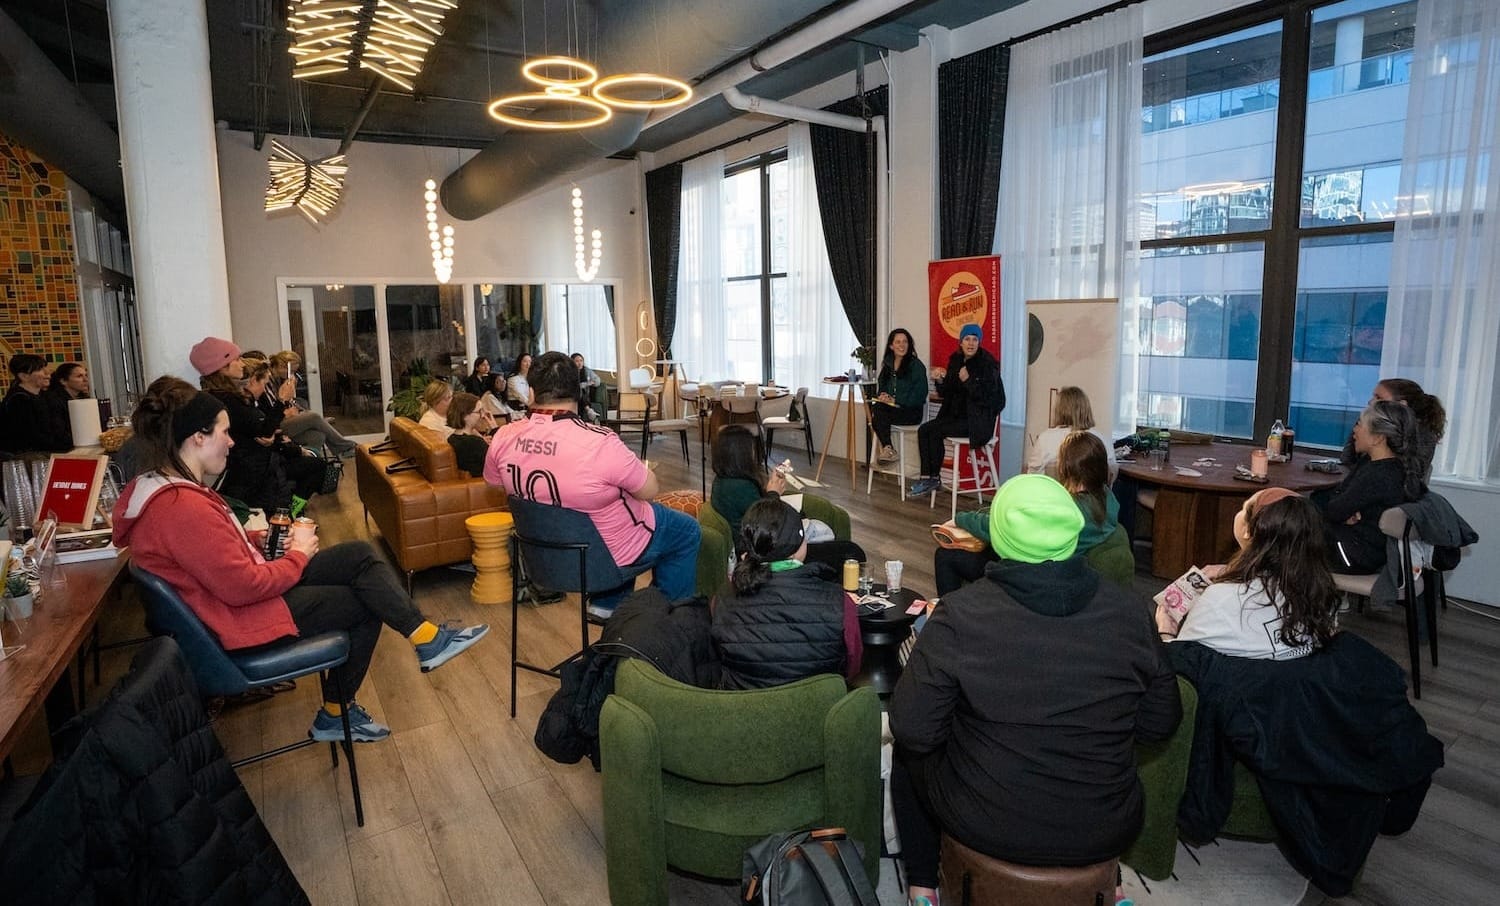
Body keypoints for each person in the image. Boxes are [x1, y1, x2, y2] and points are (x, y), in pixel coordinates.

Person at [112, 375, 488, 744]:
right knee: (364, 603)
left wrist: (263, 539)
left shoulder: (167, 491)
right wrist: (295, 555)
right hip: (238, 621)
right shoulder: (182, 508)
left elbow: (212, 555)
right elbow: (244, 586)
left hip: (230, 606)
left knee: (358, 555)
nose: (231, 442)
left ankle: (426, 638)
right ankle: (338, 713)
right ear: (198, 437)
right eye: (224, 433)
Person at [890, 475, 1180, 905]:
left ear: (1001, 535)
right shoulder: (1132, 611)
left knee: (908, 750)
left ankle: (922, 888)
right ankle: (1112, 886)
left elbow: (914, 729)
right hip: (1103, 824)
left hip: (987, 822)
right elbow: (1160, 722)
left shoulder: (960, 614)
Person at [484, 352, 701, 620]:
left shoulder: (504, 436)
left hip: (541, 562)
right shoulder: (599, 442)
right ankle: (665, 621)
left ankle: (610, 602)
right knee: (686, 530)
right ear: (577, 392)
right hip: (601, 561)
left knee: (611, 514)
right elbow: (649, 490)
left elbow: (494, 482)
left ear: (531, 393)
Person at [1157, 488, 1338, 660]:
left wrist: (1166, 633)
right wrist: (1234, 570)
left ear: (1248, 531)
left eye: (1243, 508)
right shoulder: (1321, 591)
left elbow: (1181, 669)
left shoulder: (1220, 599)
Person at [932, 431, 1120, 596]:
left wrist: (960, 519)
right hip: (1057, 569)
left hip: (1029, 572)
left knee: (945, 556)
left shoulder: (1068, 511)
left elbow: (1002, 527)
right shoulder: (1107, 500)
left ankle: (951, 618)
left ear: (1066, 468)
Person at [711, 498, 863, 690]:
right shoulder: (839, 602)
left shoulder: (723, 597)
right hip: (818, 710)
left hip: (742, 710)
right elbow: (852, 667)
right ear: (798, 546)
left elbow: (717, 657)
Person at [710, 424, 865, 570]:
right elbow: (767, 522)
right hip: (771, 553)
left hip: (764, 547)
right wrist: (773, 493)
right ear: (740, 455)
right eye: (750, 449)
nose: (754, 453)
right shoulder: (738, 487)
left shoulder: (724, 481)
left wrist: (771, 489)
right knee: (851, 552)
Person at [197, 344, 322, 515]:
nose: (241, 364)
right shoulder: (227, 399)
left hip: (262, 467)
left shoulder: (229, 396)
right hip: (253, 473)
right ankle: (293, 513)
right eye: (236, 359)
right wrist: (282, 401)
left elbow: (264, 431)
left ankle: (293, 512)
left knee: (315, 438)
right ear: (222, 367)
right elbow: (264, 431)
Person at [1316, 400, 1425, 574]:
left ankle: (1325, 598)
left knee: (1285, 535)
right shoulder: (1382, 464)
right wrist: (1343, 512)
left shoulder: (1379, 475)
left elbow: (1333, 510)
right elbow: (1338, 501)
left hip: (1356, 555)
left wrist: (1341, 513)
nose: (1355, 430)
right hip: (1364, 548)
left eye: (1359, 424)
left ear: (1378, 437)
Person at [910, 323, 1005, 497]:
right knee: (924, 430)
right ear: (961, 342)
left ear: (979, 342)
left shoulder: (987, 364)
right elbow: (947, 392)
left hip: (977, 422)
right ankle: (928, 478)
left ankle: (932, 479)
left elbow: (995, 401)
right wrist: (940, 380)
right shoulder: (956, 360)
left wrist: (969, 381)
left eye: (975, 339)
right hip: (955, 418)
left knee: (935, 431)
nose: (971, 343)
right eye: (967, 339)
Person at [1341, 378, 1446, 480]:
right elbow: (1347, 459)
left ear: (1401, 405)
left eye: (1378, 398)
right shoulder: (1366, 422)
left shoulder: (1423, 435)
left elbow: (1410, 476)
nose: (1370, 402)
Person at [262, 351, 356, 457]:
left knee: (318, 435)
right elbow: (274, 406)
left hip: (283, 419)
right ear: (282, 367)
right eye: (291, 371)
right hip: (275, 424)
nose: (292, 375)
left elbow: (286, 401)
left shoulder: (279, 379)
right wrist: (286, 410)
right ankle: (346, 447)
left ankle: (310, 462)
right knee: (314, 416)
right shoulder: (267, 381)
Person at [1026, 385, 1116, 478]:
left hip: (1054, 491)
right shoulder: (1104, 441)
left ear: (1059, 410)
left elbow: (1033, 477)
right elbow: (1111, 477)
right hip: (1093, 492)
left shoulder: (1045, 439)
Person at [871, 328, 928, 463]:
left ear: (909, 345)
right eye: (898, 342)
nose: (902, 345)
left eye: (905, 342)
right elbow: (882, 386)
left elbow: (921, 395)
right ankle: (888, 449)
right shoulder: (888, 365)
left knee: (877, 416)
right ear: (891, 346)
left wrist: (897, 400)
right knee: (877, 408)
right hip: (892, 409)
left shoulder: (916, 365)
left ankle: (888, 449)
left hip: (911, 412)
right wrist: (883, 396)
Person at [1, 354, 71, 454]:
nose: (48, 373)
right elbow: (31, 437)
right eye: (40, 369)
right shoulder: (18, 400)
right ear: (24, 376)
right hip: (29, 456)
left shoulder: (47, 397)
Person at [445, 391, 498, 479]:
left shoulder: (452, 438)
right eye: (479, 412)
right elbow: (499, 462)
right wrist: (495, 429)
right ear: (465, 416)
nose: (482, 415)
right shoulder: (474, 443)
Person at [43, 362, 91, 447]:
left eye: (86, 375)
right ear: (63, 381)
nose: (85, 380)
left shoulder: (83, 399)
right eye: (79, 376)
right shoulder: (54, 401)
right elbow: (59, 432)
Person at [572, 353, 602, 422]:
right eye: (577, 361)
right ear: (572, 362)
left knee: (582, 392)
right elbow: (573, 385)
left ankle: (582, 416)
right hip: (574, 395)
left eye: (581, 361)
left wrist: (593, 383)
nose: (579, 363)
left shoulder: (587, 370)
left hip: (586, 396)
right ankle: (589, 410)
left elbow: (597, 381)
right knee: (580, 390)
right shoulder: (569, 372)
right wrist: (586, 384)